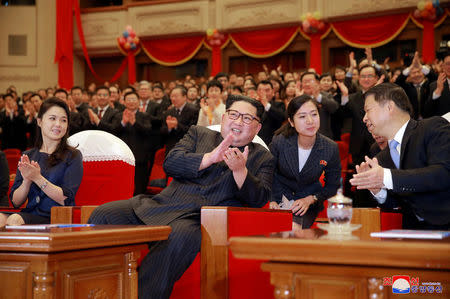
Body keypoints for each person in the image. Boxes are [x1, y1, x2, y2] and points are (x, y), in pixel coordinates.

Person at [88, 95, 274, 299]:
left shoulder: (262, 157)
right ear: (223, 118)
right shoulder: (199, 134)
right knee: (103, 214)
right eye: (234, 114)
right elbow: (171, 163)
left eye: (247, 118)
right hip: (162, 205)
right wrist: (209, 158)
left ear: (257, 128)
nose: (238, 122)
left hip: (200, 220)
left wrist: (240, 171)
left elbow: (259, 199)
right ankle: (94, 289)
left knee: (178, 237)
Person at [350, 83, 450, 229]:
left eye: (368, 111)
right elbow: (397, 203)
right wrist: (378, 189)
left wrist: (385, 177)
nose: (364, 118)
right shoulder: (382, 156)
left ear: (389, 107)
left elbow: (443, 173)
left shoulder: (432, 127)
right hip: (412, 234)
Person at [0, 97, 83, 226]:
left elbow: (66, 199)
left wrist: (37, 178)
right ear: (39, 121)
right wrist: (27, 181)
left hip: (57, 217)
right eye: (52, 118)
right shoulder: (28, 155)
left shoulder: (73, 155)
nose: (58, 124)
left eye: (63, 120)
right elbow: (16, 202)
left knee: (14, 220)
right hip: (30, 213)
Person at [269, 95, 341, 228]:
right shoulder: (279, 141)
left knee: (293, 230)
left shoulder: (330, 147)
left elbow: (332, 186)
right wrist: (272, 199)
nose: (310, 121)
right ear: (291, 122)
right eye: (302, 117)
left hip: (307, 204)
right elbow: (268, 173)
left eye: (314, 114)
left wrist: (311, 199)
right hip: (279, 199)